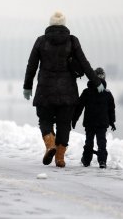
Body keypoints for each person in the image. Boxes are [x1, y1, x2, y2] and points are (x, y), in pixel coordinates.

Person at [23, 12, 104, 168]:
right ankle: (60, 158)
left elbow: (31, 65)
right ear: (64, 24)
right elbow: (84, 63)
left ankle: (50, 144)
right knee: (64, 124)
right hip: (67, 91)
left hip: (45, 90)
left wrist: (27, 86)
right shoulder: (72, 41)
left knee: (45, 120)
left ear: (50, 24)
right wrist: (96, 81)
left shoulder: (41, 41)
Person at [72, 67, 116, 169]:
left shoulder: (86, 92)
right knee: (102, 142)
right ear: (104, 78)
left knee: (89, 142)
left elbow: (79, 107)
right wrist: (112, 122)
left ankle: (86, 160)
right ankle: (102, 161)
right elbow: (111, 109)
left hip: (89, 122)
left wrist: (74, 119)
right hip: (102, 123)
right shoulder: (107, 94)